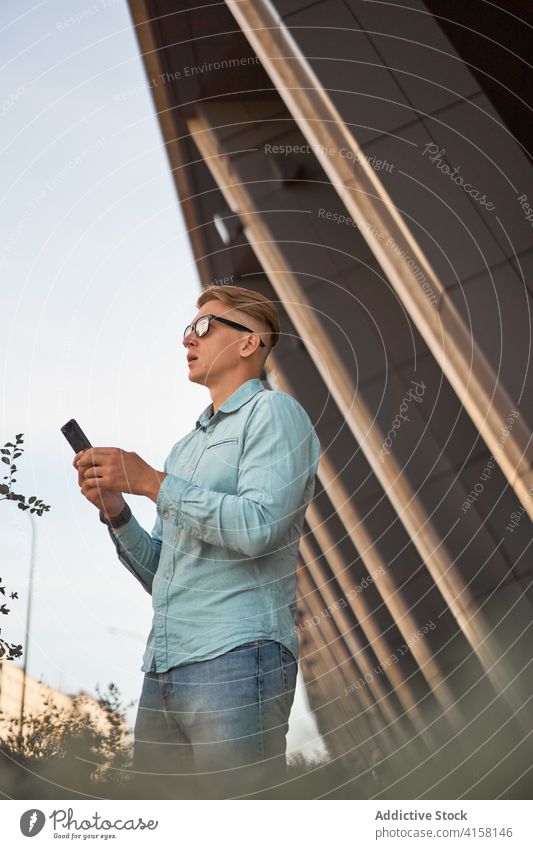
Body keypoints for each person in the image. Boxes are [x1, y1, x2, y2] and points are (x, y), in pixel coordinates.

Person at [74, 284, 321, 798]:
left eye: (205, 326)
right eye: (188, 328)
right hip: (162, 667)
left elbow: (259, 527)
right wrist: (118, 512)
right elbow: (162, 574)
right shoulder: (184, 450)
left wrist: (150, 483)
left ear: (250, 342)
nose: (189, 337)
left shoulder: (275, 414)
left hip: (238, 656)